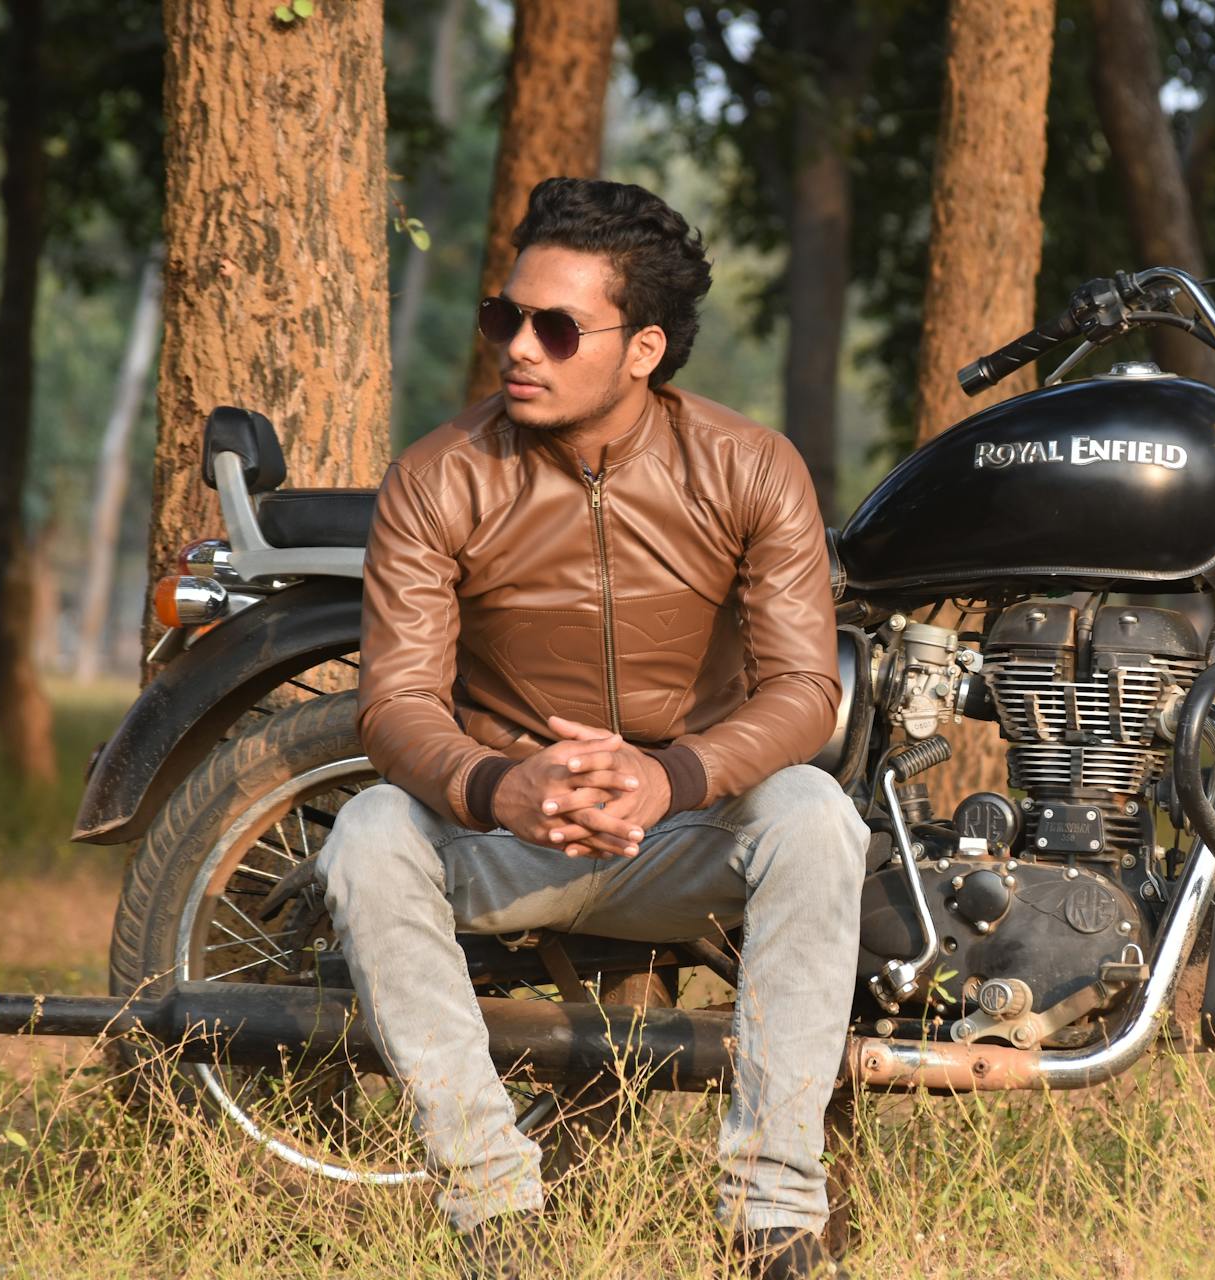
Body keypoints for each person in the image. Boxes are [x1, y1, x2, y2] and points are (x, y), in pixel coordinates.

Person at [314, 177, 866, 1280]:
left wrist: (673, 777)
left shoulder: (751, 467)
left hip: (682, 831)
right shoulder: (438, 476)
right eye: (504, 317)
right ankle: (497, 1215)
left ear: (644, 347)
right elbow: (397, 705)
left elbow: (805, 688)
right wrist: (495, 787)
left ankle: (771, 1218)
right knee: (372, 830)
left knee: (815, 813)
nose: (520, 346)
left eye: (556, 327)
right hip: (505, 835)